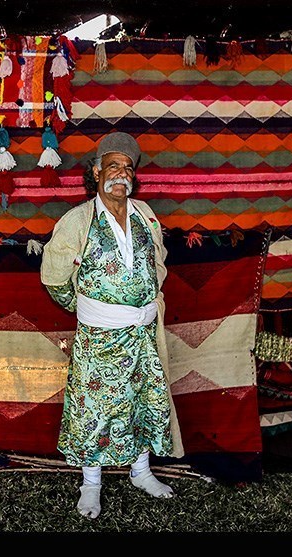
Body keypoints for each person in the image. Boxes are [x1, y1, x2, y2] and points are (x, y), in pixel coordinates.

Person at [40, 131, 184, 519]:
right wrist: (87, 310)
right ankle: (91, 484)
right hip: (99, 333)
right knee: (95, 408)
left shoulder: (145, 215)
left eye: (128, 168)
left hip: (141, 331)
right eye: (113, 166)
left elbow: (159, 262)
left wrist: (146, 300)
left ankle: (141, 472)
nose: (121, 174)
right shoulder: (78, 221)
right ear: (96, 171)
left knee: (141, 400)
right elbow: (53, 277)